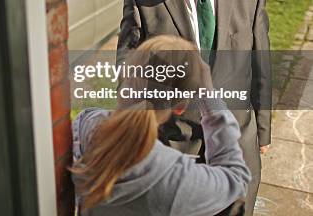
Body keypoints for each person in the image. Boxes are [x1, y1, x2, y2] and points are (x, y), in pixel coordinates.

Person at [116, 0, 271, 215]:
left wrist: (263, 131)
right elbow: (127, 78)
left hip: (238, 147)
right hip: (173, 151)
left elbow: (261, 67)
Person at [72, 35, 251, 216]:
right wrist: (209, 96)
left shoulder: (86, 126)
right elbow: (235, 179)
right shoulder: (177, 178)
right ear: (180, 107)